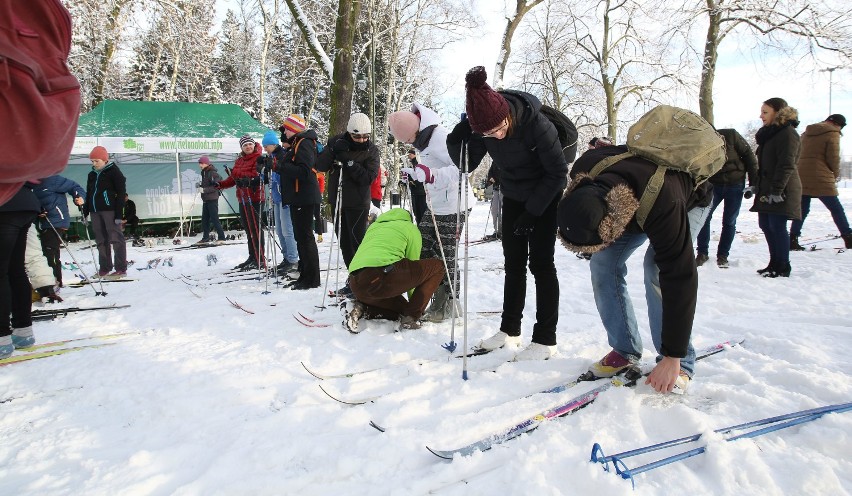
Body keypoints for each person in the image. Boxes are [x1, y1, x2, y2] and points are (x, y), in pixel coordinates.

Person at [556, 142, 714, 394]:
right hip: (627, 195)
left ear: (613, 224)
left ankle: (681, 363)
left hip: (687, 200)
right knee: (603, 263)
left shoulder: (665, 199)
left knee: (657, 269)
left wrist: (673, 355)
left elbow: (679, 276)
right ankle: (624, 349)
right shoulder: (584, 171)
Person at [445, 66, 568, 360]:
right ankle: (509, 330)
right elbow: (466, 165)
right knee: (513, 265)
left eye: (499, 128)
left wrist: (533, 212)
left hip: (545, 195)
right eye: (488, 133)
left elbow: (558, 174)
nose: (496, 137)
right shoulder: (484, 128)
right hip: (512, 194)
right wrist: (457, 139)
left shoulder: (537, 124)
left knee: (541, 264)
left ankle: (545, 340)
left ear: (507, 114)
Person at [388, 102, 476, 323]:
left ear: (416, 130)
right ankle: (431, 295)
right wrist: (415, 173)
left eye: (408, 139)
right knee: (423, 248)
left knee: (445, 255)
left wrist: (431, 175)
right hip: (436, 205)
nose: (409, 143)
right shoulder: (422, 140)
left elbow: (462, 169)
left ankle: (449, 302)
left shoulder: (440, 138)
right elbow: (428, 168)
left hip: (454, 205)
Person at [343, 208, 446, 333]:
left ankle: (362, 309)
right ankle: (410, 318)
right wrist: (416, 309)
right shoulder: (410, 228)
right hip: (381, 276)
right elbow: (413, 266)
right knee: (438, 266)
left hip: (356, 283)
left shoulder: (374, 227)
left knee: (402, 311)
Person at [315, 113, 380, 296]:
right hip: (338, 201)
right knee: (344, 244)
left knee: (358, 243)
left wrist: (348, 162)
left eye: (365, 136)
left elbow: (368, 178)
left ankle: (365, 281)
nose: (361, 140)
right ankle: (354, 280)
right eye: (357, 136)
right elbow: (320, 165)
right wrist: (333, 150)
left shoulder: (372, 150)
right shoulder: (337, 142)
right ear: (349, 133)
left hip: (358, 203)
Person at [750, 98, 802, 278]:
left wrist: (777, 191)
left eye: (765, 112)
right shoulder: (770, 134)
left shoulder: (788, 133)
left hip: (782, 189)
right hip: (767, 188)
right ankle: (774, 262)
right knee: (765, 224)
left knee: (776, 226)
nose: (761, 116)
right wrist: (756, 186)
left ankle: (783, 266)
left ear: (777, 112)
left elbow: (786, 164)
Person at [696, 128, 758, 267]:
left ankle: (723, 255)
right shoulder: (700, 144)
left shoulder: (731, 135)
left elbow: (749, 157)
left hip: (735, 184)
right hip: (714, 185)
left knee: (729, 221)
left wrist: (753, 184)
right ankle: (702, 253)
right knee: (704, 217)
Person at [790, 114, 852, 250]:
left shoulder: (806, 133)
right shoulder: (832, 133)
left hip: (802, 173)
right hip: (820, 175)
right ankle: (848, 236)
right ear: (838, 125)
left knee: (802, 209)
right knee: (836, 208)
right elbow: (833, 158)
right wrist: (835, 174)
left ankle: (792, 239)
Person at [275, 116, 322, 290]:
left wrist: (279, 167)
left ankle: (312, 278)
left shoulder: (304, 143)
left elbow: (304, 171)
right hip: (299, 196)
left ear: (294, 129)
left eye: (286, 129)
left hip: (304, 196)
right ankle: (305, 275)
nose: (284, 132)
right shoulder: (298, 143)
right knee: (300, 237)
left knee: (305, 237)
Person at [0, 186, 41, 358]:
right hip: (24, 202)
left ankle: (2, 338)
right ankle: (23, 332)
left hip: (5, 205)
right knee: (16, 269)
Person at [217, 135, 264, 271]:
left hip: (254, 197)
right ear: (242, 148)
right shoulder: (240, 160)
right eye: (245, 145)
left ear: (254, 145)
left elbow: (256, 176)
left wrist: (242, 178)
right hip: (242, 198)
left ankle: (259, 258)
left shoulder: (258, 158)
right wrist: (220, 184)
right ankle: (252, 256)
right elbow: (233, 179)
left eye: (250, 144)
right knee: (248, 229)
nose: (248, 147)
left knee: (256, 229)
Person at [31, 174, 85, 286]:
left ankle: (55, 281)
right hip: (37, 222)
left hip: (55, 221)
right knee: (41, 254)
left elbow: (74, 186)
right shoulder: (26, 183)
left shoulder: (51, 179)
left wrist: (79, 197)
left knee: (50, 253)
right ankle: (49, 281)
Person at [83, 146, 128, 279]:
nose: (94, 164)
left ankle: (121, 268)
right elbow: (89, 193)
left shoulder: (114, 172)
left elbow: (121, 194)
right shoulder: (91, 174)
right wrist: (85, 212)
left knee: (116, 239)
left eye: (96, 161)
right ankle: (105, 267)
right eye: (92, 161)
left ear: (104, 160)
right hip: (95, 210)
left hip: (110, 210)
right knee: (101, 240)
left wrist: (119, 215)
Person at [260, 128, 298, 275]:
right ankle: (287, 258)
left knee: (287, 231)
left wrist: (273, 170)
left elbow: (284, 173)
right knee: (279, 231)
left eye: (266, 145)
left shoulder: (282, 154)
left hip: (285, 198)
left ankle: (293, 259)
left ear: (273, 144)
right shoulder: (271, 156)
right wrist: (263, 172)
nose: (265, 148)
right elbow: (269, 177)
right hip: (276, 198)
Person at [196, 156, 227, 244]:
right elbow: (207, 184)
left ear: (206, 163)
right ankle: (205, 238)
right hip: (206, 199)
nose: (200, 165)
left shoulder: (212, 173)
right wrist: (200, 186)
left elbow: (216, 186)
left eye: (201, 163)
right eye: (199, 163)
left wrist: (204, 190)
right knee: (205, 219)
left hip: (212, 199)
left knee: (214, 219)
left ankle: (222, 237)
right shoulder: (204, 172)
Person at [404, 149, 428, 224]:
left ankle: (422, 227)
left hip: (421, 192)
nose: (409, 156)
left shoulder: (419, 162)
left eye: (410, 154)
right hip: (415, 192)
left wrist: (414, 183)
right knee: (416, 212)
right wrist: (405, 181)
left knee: (422, 212)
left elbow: (422, 176)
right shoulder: (411, 163)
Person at [485, 162, 502, 240]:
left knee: (503, 211)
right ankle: (497, 232)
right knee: (494, 210)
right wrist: (490, 181)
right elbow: (490, 173)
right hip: (496, 189)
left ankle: (503, 231)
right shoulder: (495, 160)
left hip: (505, 189)